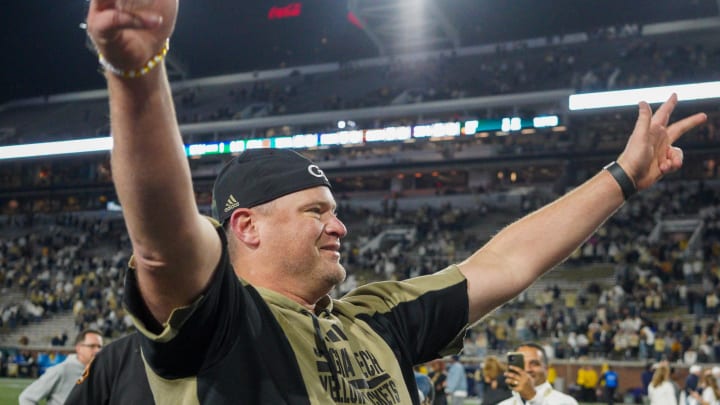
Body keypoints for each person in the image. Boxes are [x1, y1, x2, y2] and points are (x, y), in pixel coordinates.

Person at [69, 0, 708, 403]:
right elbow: (163, 241)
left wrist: (622, 176)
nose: (340, 225)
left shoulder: (377, 318)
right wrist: (138, 71)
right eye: (316, 211)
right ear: (247, 226)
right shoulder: (223, 322)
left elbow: (507, 263)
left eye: (335, 208)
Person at [18, 329, 102, 405]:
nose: (98, 350)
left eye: (99, 347)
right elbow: (27, 398)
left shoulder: (101, 372)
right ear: (79, 348)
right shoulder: (62, 370)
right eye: (92, 346)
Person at [499, 343, 578, 405]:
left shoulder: (566, 402)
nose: (527, 369)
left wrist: (532, 397)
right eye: (522, 364)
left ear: (546, 369)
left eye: (534, 364)